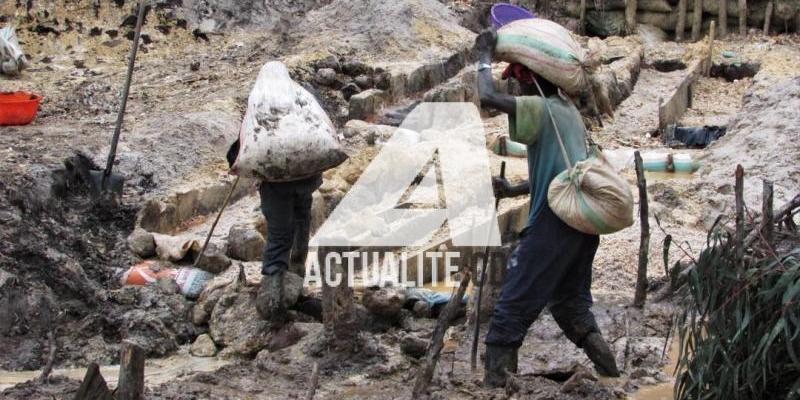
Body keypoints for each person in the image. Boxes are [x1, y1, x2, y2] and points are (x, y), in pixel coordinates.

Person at [474, 27, 620, 388]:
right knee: (571, 306)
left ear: (533, 82)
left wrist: (482, 55)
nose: (517, 91)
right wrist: (514, 188)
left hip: (553, 226)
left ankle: (496, 384)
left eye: (520, 84)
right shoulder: (567, 112)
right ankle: (613, 377)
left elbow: (486, 95)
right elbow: (562, 174)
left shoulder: (539, 107)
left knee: (512, 305)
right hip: (582, 227)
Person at [226, 139, 319, 325]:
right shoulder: (303, 114)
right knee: (301, 231)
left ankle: (276, 304)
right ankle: (295, 290)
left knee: (279, 238)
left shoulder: (263, 116)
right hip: (306, 180)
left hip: (277, 185)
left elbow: (235, 155)